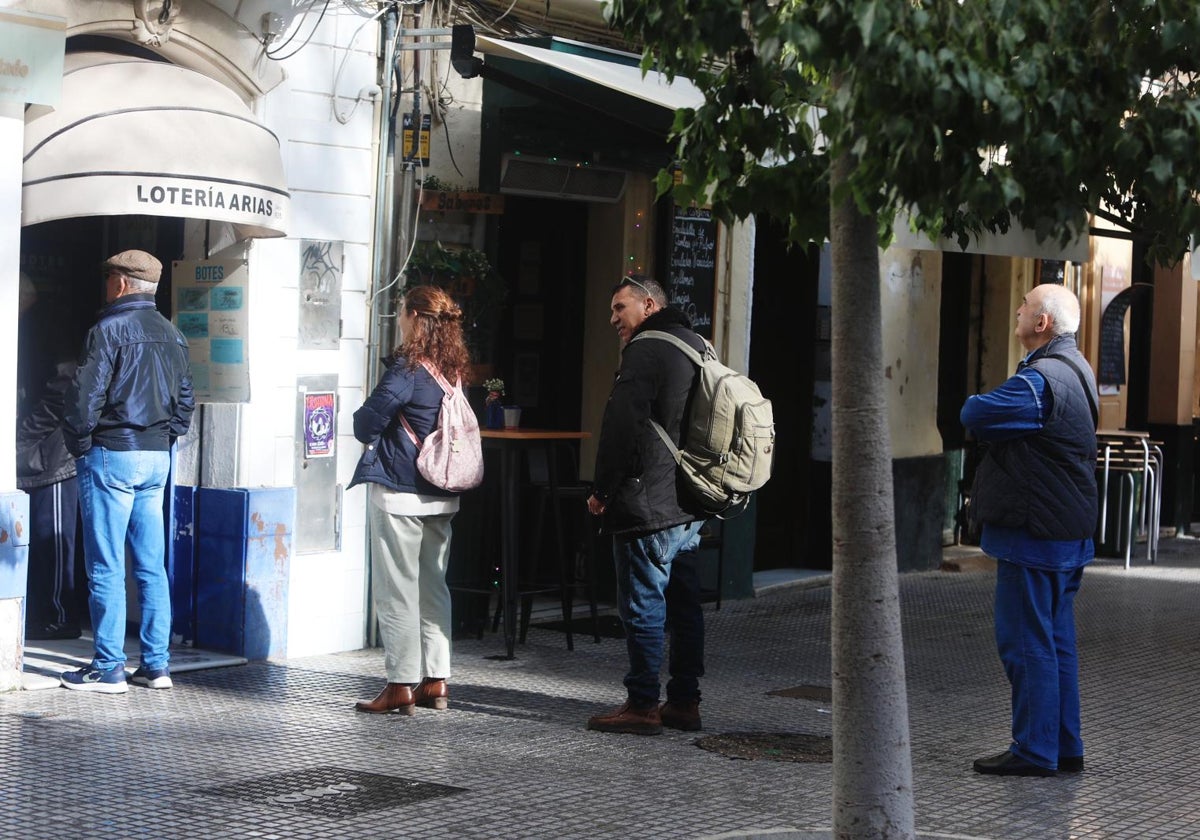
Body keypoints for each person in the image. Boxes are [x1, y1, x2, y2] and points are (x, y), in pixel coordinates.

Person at [961, 282, 1098, 777]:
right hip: (1065, 530)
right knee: (1055, 640)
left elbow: (975, 413)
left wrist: (978, 402)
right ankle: (1064, 745)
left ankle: (1034, 749)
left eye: (1023, 306)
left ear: (1042, 323)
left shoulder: (1040, 380)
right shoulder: (1077, 369)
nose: (1016, 310)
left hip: (1035, 531)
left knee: (1026, 641)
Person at [60, 250, 194, 694]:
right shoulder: (173, 335)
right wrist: (164, 439)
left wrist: (81, 447)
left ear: (120, 283)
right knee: (152, 566)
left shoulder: (107, 330)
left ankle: (108, 666)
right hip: (157, 457)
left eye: (109, 277)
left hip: (111, 454)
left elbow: (85, 401)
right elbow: (185, 403)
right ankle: (156, 666)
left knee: (106, 565)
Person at [586, 275, 708, 736]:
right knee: (684, 605)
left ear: (649, 305)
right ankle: (684, 702)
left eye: (621, 308)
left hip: (648, 502)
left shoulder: (645, 350)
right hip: (689, 502)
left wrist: (601, 490)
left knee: (642, 604)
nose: (614, 318)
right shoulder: (699, 346)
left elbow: (621, 425)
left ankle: (641, 704)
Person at [349, 285, 470, 715]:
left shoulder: (408, 367)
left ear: (415, 317)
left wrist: (365, 423)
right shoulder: (451, 370)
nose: (399, 318)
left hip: (401, 493)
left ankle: (400, 682)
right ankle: (436, 679)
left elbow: (367, 423)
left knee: (396, 588)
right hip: (443, 493)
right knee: (434, 586)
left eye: (402, 311)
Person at [17, 273, 82, 641]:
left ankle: (60, 617)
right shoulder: (28, 327)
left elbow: (62, 389)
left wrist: (24, 432)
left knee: (53, 540)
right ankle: (42, 613)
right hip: (30, 452)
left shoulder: (47, 328)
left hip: (52, 455)